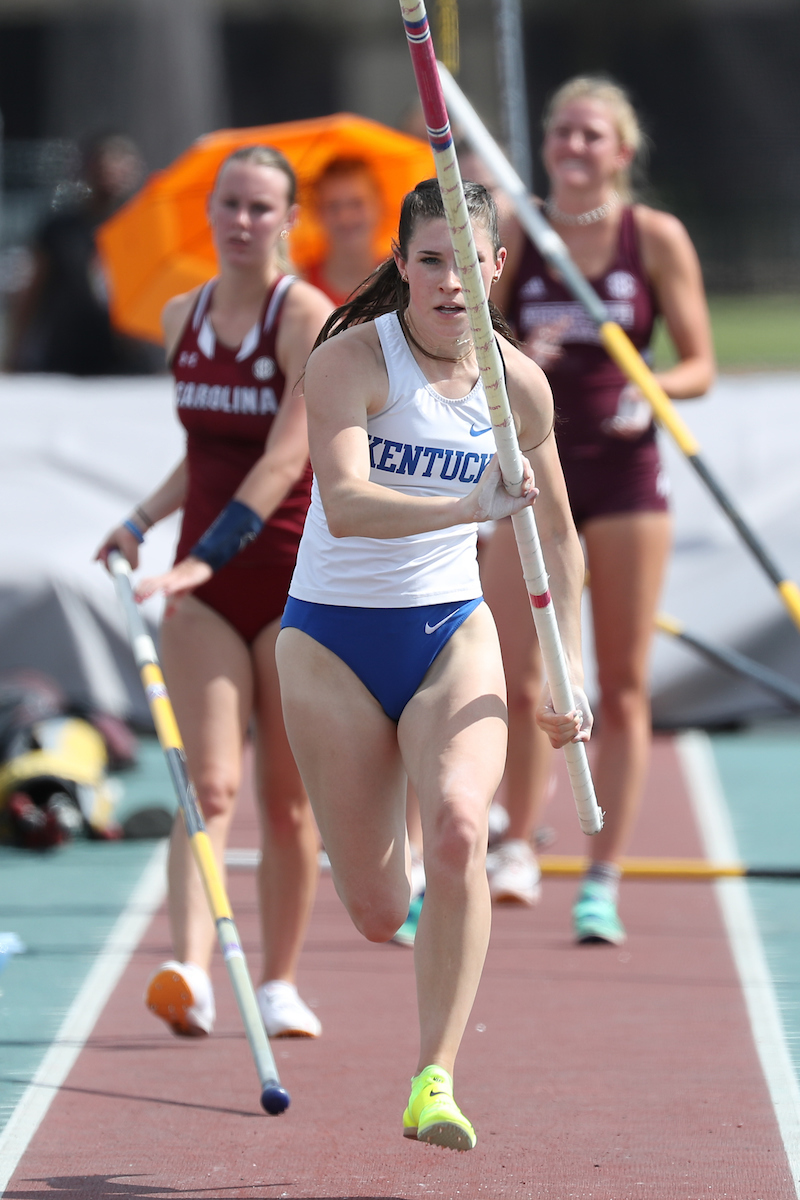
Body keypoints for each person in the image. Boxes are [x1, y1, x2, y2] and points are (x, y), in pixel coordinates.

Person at [275, 178, 591, 1149]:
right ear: (402, 266)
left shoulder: (517, 385)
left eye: (467, 260)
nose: (450, 281)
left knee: (460, 829)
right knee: (376, 912)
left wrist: (559, 662)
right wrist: (472, 507)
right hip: (329, 644)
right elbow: (347, 502)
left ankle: (434, 1078)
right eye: (428, 261)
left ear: (497, 265)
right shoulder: (348, 362)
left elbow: (562, 540)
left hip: (450, 633)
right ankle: (393, 859)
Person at [96, 145, 332, 1040]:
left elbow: (284, 454)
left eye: (261, 207)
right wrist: (140, 521)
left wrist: (211, 550)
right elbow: (205, 450)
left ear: (288, 219)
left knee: (285, 799)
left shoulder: (305, 313)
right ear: (210, 212)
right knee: (209, 785)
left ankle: (278, 983)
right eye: (230, 204)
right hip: (200, 586)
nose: (242, 221)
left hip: (286, 581)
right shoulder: (179, 316)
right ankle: (189, 970)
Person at [484, 76, 715, 940]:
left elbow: (699, 362)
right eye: (561, 134)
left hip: (622, 479)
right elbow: (469, 343)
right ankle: (516, 838)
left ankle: (602, 876)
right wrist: (514, 346)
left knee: (618, 686)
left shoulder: (652, 237)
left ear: (622, 152)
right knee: (519, 679)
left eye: (591, 137)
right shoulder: (517, 231)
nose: (574, 149)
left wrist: (651, 390)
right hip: (531, 480)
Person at [5, 132, 162, 376]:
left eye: (121, 165)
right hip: (65, 360)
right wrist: (15, 350)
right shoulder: (60, 228)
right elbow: (32, 291)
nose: (111, 174)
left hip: (125, 362)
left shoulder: (142, 229)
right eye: (104, 165)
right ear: (88, 168)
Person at [303, 157, 384, 306]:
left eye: (356, 203)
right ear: (316, 211)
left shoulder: (405, 281)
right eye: (333, 206)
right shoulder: (299, 288)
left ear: (379, 204)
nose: (345, 217)